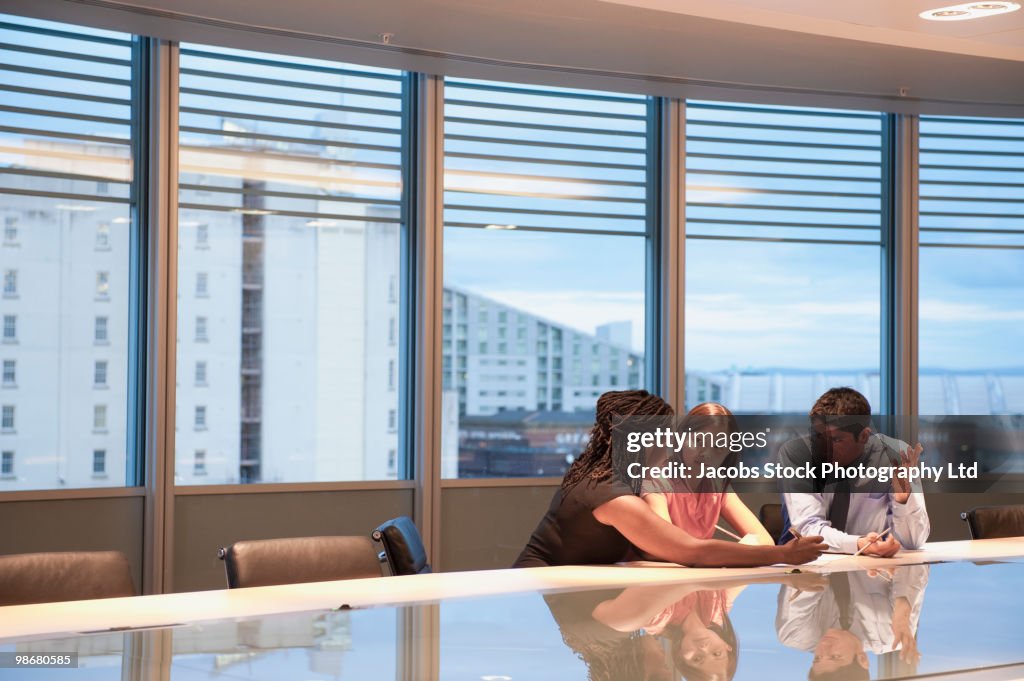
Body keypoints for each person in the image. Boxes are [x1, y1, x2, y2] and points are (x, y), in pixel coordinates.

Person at [514, 389, 826, 568]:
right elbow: (690, 550)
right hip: (542, 587)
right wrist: (782, 554)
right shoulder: (615, 496)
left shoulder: (607, 476)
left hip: (559, 584)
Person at [777, 388, 930, 556]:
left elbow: (913, 542)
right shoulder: (798, 455)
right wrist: (858, 544)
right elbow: (809, 530)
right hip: (805, 566)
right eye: (818, 437)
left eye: (836, 440)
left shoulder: (895, 455)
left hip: (869, 570)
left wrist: (904, 500)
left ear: (864, 436)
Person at [642, 402, 774, 547]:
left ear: (729, 451)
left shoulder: (716, 484)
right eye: (698, 440)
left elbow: (766, 540)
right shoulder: (656, 482)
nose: (706, 453)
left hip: (698, 568)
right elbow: (668, 545)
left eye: (718, 446)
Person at [775, 564, 929, 680]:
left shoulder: (794, 634)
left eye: (817, 658)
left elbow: (805, 570)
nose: (823, 648)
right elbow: (916, 564)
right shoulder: (893, 634)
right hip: (877, 532)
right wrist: (902, 611)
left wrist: (844, 545)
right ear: (862, 659)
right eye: (835, 656)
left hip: (817, 532)